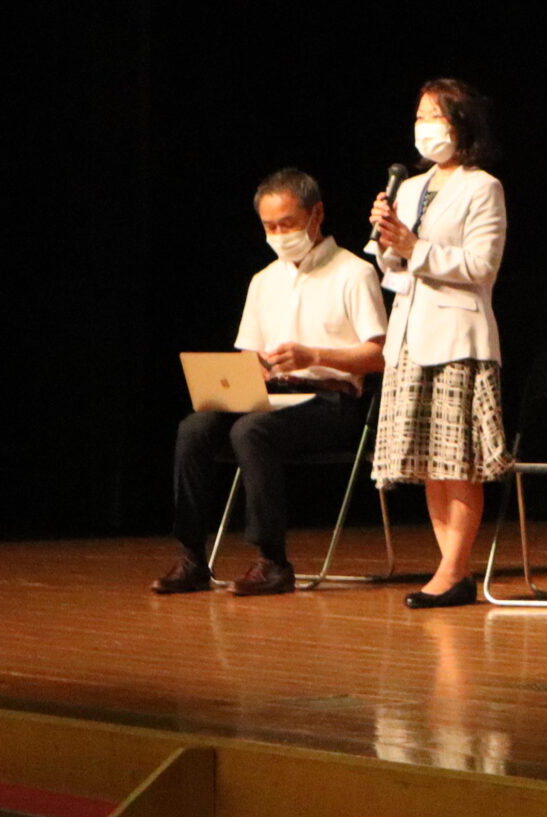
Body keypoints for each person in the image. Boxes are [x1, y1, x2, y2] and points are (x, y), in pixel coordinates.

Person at [155, 169, 387, 596]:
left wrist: (314, 356)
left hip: (330, 402)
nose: (279, 235)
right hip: (272, 394)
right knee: (195, 428)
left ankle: (272, 561)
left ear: (316, 214)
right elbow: (250, 352)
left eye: (288, 223)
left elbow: (379, 355)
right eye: (270, 226)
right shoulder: (264, 280)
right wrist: (250, 373)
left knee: (251, 431)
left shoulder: (353, 273)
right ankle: (191, 556)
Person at [368, 78, 509, 610]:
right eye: (420, 116)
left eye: (435, 116)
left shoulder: (483, 187)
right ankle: (451, 569)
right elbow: (396, 267)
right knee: (430, 459)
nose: (424, 126)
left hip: (457, 338)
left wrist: (414, 247)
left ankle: (453, 571)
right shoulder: (409, 188)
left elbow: (481, 266)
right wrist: (388, 243)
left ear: (462, 124)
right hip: (409, 333)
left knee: (458, 461)